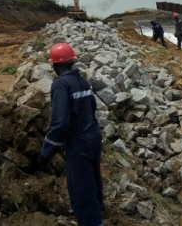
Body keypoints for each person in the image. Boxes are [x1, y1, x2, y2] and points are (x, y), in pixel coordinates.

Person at [38, 43, 103, 226]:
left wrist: (46, 152)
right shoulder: (82, 82)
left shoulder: (60, 85)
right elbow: (91, 109)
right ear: (72, 61)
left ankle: (93, 222)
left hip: (78, 143)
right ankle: (98, 214)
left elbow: (60, 123)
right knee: (93, 180)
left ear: (54, 65)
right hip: (93, 138)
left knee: (81, 189)